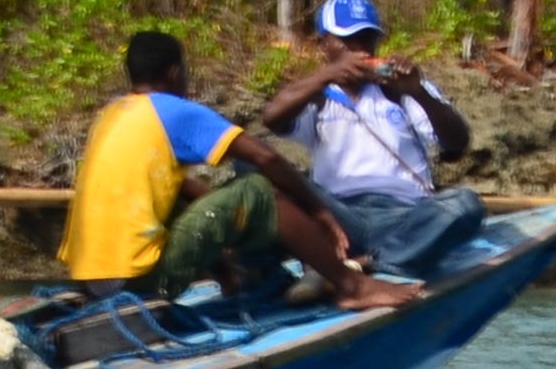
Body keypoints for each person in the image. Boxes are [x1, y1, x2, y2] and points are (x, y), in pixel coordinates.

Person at [63, 29, 403, 311]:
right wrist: (318, 212)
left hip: (92, 281)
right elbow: (264, 159)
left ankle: (242, 278)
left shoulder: (110, 115)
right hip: (138, 279)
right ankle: (352, 286)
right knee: (260, 190)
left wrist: (228, 245)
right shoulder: (174, 110)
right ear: (174, 73)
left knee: (209, 201)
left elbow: (182, 190)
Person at [261, 0, 487, 282]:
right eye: (349, 39)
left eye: (367, 38)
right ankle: (261, 277)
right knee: (257, 175)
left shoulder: (401, 89)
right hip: (337, 216)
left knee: (464, 204)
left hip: (404, 216)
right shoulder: (316, 96)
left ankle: (365, 264)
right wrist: (328, 76)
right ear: (324, 44)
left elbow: (457, 142)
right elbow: (272, 117)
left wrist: (417, 92)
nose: (360, 48)